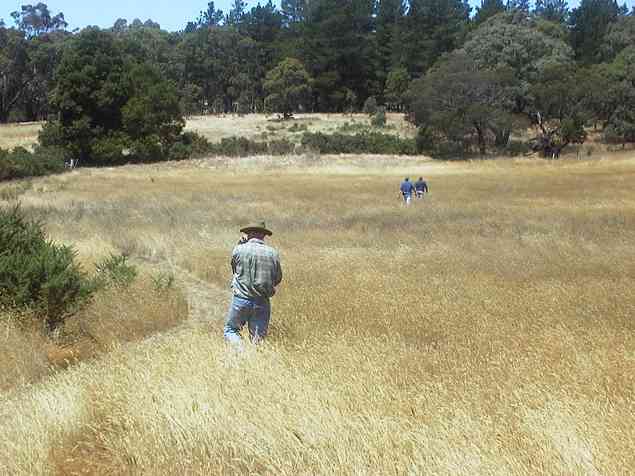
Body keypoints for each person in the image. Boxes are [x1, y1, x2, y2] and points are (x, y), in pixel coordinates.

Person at [224, 221, 282, 345]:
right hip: (262, 301)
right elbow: (277, 279)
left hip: (241, 299)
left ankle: (240, 351)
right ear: (263, 235)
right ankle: (255, 360)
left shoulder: (239, 250)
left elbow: (234, 270)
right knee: (258, 339)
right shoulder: (273, 253)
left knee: (231, 330)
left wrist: (240, 244)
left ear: (248, 233)